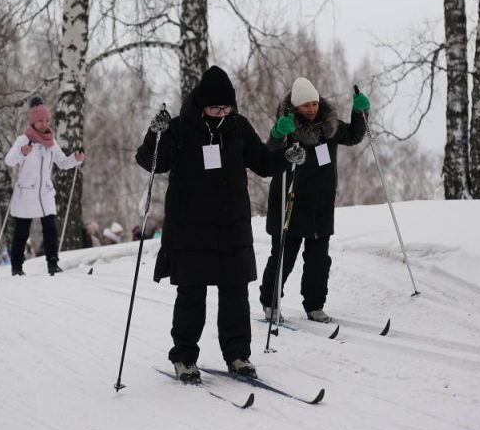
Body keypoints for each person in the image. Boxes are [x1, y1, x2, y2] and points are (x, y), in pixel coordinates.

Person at [135, 65, 298, 384]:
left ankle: (238, 355)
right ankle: (184, 357)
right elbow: (152, 161)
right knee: (191, 294)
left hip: (231, 225)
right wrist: (156, 133)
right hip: (190, 226)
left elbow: (263, 162)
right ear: (201, 104)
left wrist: (285, 157)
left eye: (226, 107)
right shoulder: (180, 128)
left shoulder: (238, 127)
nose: (221, 113)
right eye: (215, 108)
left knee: (235, 293)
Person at [259, 78, 369, 323]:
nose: (311, 109)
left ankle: (314, 305)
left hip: (321, 204)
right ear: (296, 106)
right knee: (283, 258)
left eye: (314, 103)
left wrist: (359, 113)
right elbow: (269, 153)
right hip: (290, 202)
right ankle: (270, 303)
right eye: (306, 105)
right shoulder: (288, 125)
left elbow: (353, 136)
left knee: (319, 261)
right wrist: (277, 134)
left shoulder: (329, 126)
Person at [3, 96, 84, 276]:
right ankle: (17, 267)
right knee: (21, 232)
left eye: (47, 120)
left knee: (50, 230)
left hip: (45, 193)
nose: (44, 124)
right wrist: (22, 152)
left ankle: (52, 263)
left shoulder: (51, 143)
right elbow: (9, 160)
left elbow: (62, 163)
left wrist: (75, 159)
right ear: (33, 121)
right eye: (40, 120)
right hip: (26, 193)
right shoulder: (23, 140)